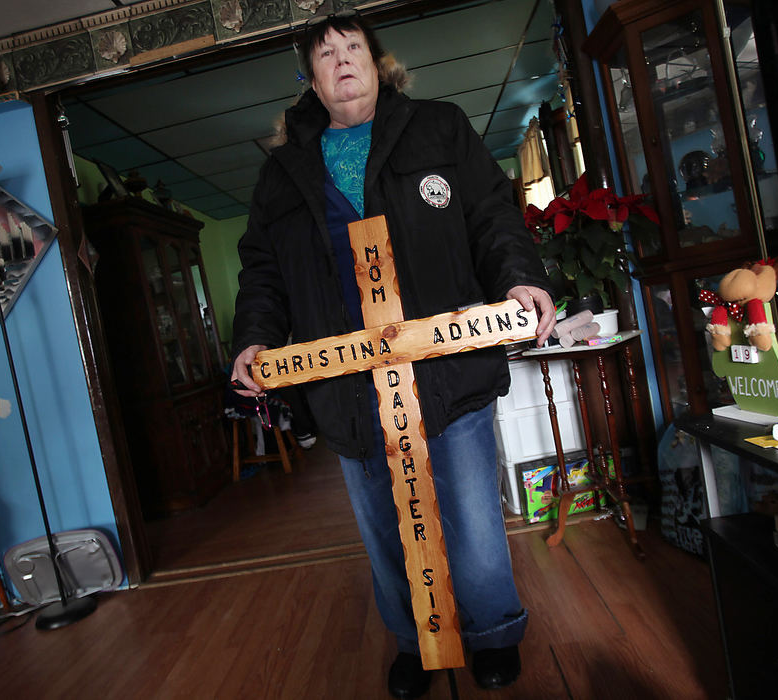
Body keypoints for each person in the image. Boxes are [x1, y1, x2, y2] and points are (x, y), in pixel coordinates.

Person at [230, 11, 556, 699]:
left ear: (379, 64)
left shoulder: (439, 127)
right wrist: (253, 340)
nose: (343, 61)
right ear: (310, 81)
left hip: (447, 370)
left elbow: (493, 215)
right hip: (348, 389)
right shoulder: (281, 174)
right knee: (384, 531)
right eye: (326, 56)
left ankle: (494, 633)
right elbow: (261, 269)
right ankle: (416, 641)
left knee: (470, 519)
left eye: (354, 48)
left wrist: (519, 278)